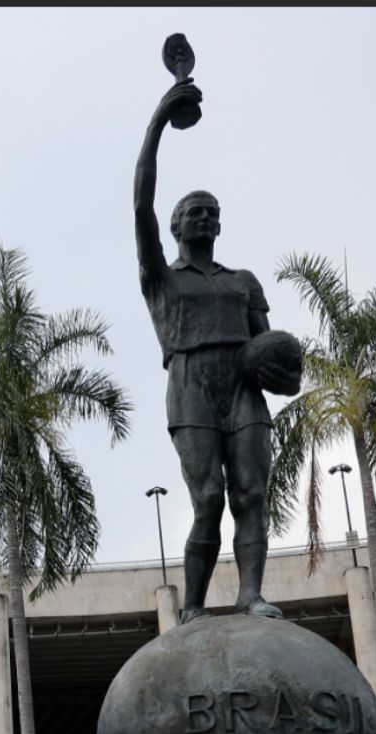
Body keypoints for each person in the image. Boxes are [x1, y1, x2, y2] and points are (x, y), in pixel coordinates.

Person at [134, 80, 300, 623]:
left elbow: (270, 352)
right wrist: (160, 120)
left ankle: (250, 594)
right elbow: (141, 203)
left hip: (242, 387)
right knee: (208, 498)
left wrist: (282, 371)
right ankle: (195, 606)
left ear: (220, 224)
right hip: (190, 385)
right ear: (177, 225)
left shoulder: (243, 281)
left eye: (212, 211)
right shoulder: (161, 278)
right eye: (193, 212)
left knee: (251, 493)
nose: (204, 217)